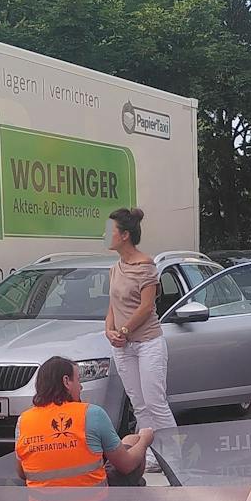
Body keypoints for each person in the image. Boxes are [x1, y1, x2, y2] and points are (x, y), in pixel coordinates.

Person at [104, 208, 175, 467]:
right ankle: (151, 454)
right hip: (123, 347)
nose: (105, 236)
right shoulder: (115, 268)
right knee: (139, 405)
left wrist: (124, 331)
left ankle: (173, 455)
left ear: (124, 235)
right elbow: (112, 306)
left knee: (155, 402)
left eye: (110, 230)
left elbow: (146, 307)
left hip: (148, 343)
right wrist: (109, 330)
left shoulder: (146, 266)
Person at [16, 356, 156, 486]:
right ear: (66, 382)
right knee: (136, 444)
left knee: (130, 440)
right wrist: (145, 441)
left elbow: (22, 472)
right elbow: (126, 465)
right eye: (78, 380)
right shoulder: (91, 414)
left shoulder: (23, 421)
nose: (81, 387)